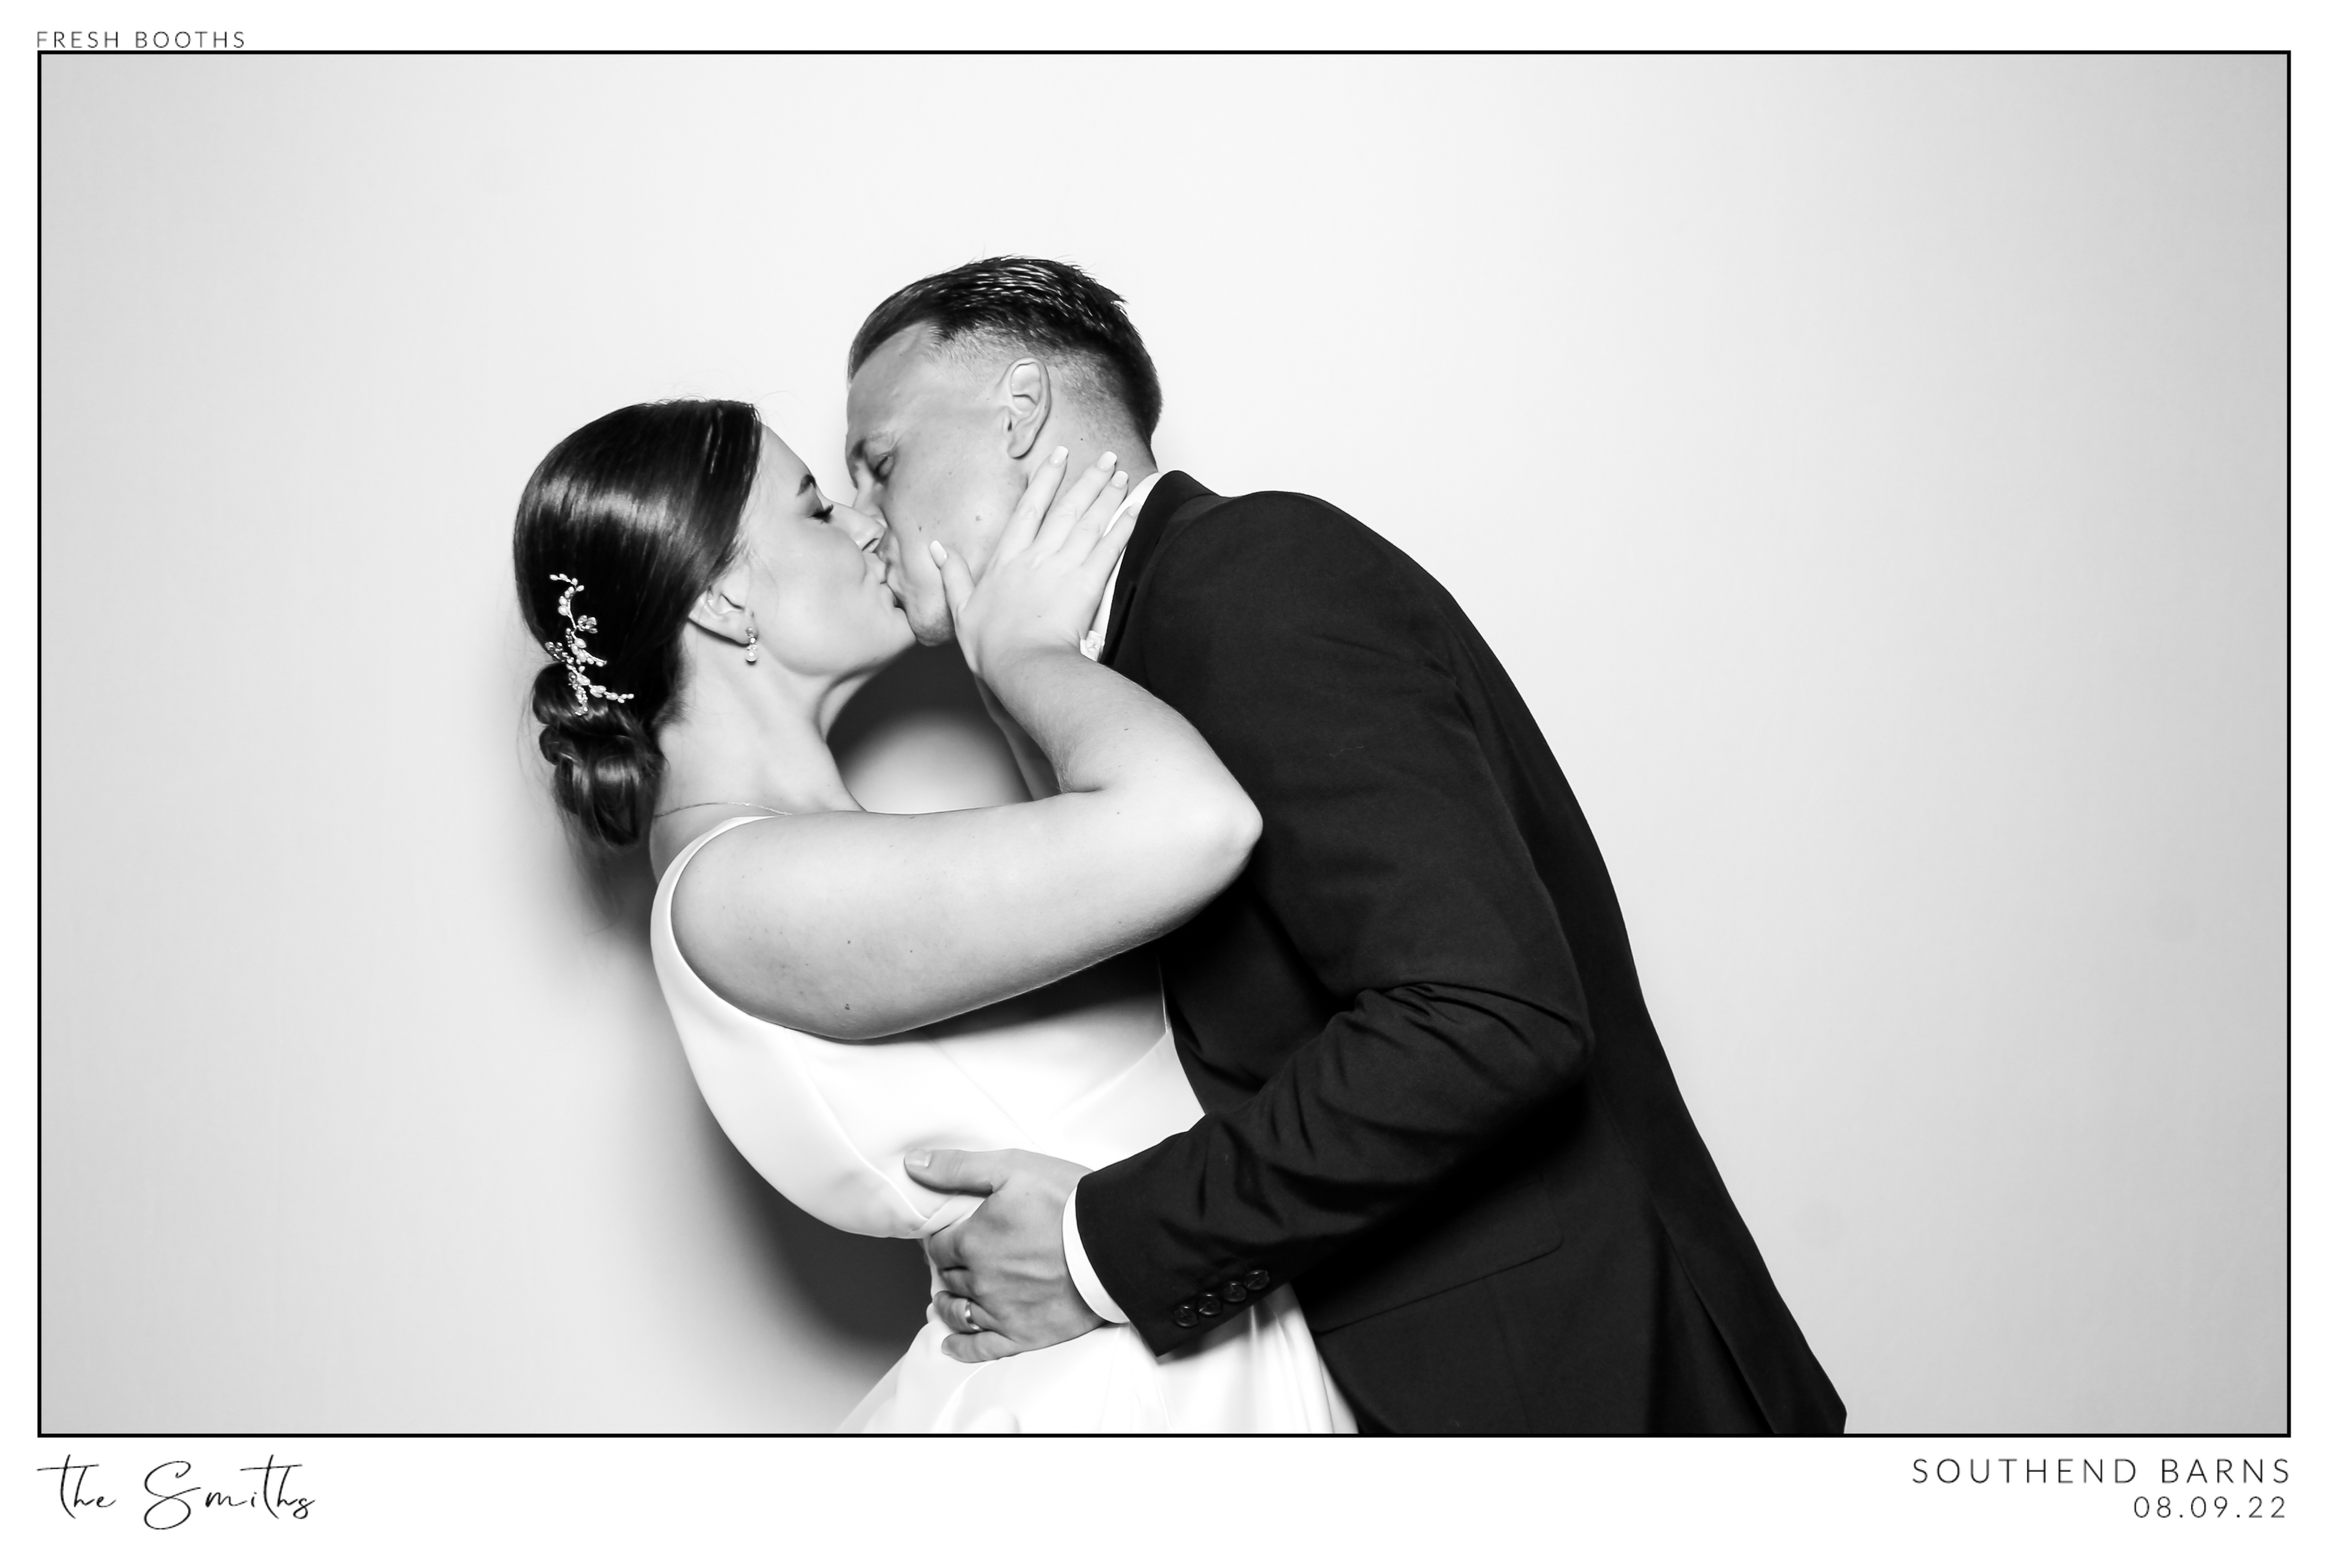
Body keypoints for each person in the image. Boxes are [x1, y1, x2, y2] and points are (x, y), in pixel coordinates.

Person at [849, 256, 1848, 1434]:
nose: (864, 523)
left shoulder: (1246, 577)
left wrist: (1095, 1249)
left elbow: (1484, 1017)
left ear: (1020, 411)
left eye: (882, 463)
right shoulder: (1127, 667)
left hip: (1583, 1385)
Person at [512, 399, 1354, 1432]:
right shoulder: (743, 889)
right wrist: (1027, 651)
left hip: (1160, 1336)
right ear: (727, 600)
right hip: (1108, 1402)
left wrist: (1004, 666)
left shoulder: (809, 856)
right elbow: (1196, 825)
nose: (870, 522)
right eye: (816, 509)